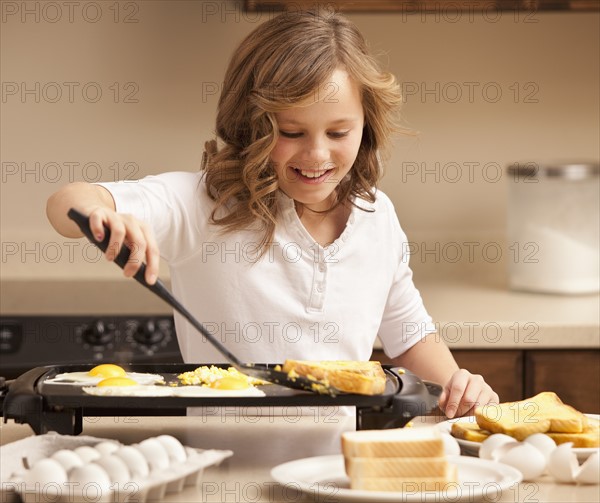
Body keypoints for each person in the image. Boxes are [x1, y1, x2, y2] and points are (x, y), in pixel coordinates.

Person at [47, 8, 498, 418]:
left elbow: (411, 335)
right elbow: (67, 203)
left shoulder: (376, 215)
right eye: (291, 131)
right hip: (223, 474)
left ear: (367, 123)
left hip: (332, 474)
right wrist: (100, 215)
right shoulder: (204, 204)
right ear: (251, 124)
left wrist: (463, 389)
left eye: (339, 131)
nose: (317, 154)